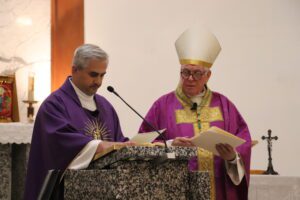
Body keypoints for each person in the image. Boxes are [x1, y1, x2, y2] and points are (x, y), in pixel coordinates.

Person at [139, 27, 251, 200]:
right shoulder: (162, 106)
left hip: (219, 191)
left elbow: (243, 144)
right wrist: (170, 145)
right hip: (177, 191)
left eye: (197, 73)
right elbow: (142, 145)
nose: (190, 78)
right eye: (185, 72)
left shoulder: (224, 106)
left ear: (208, 76)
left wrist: (232, 158)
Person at [24, 44, 132, 200]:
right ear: (74, 70)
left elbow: (119, 144)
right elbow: (59, 145)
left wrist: (163, 144)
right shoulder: (54, 105)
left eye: (102, 75)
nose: (99, 82)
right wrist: (100, 145)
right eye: (93, 74)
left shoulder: (106, 107)